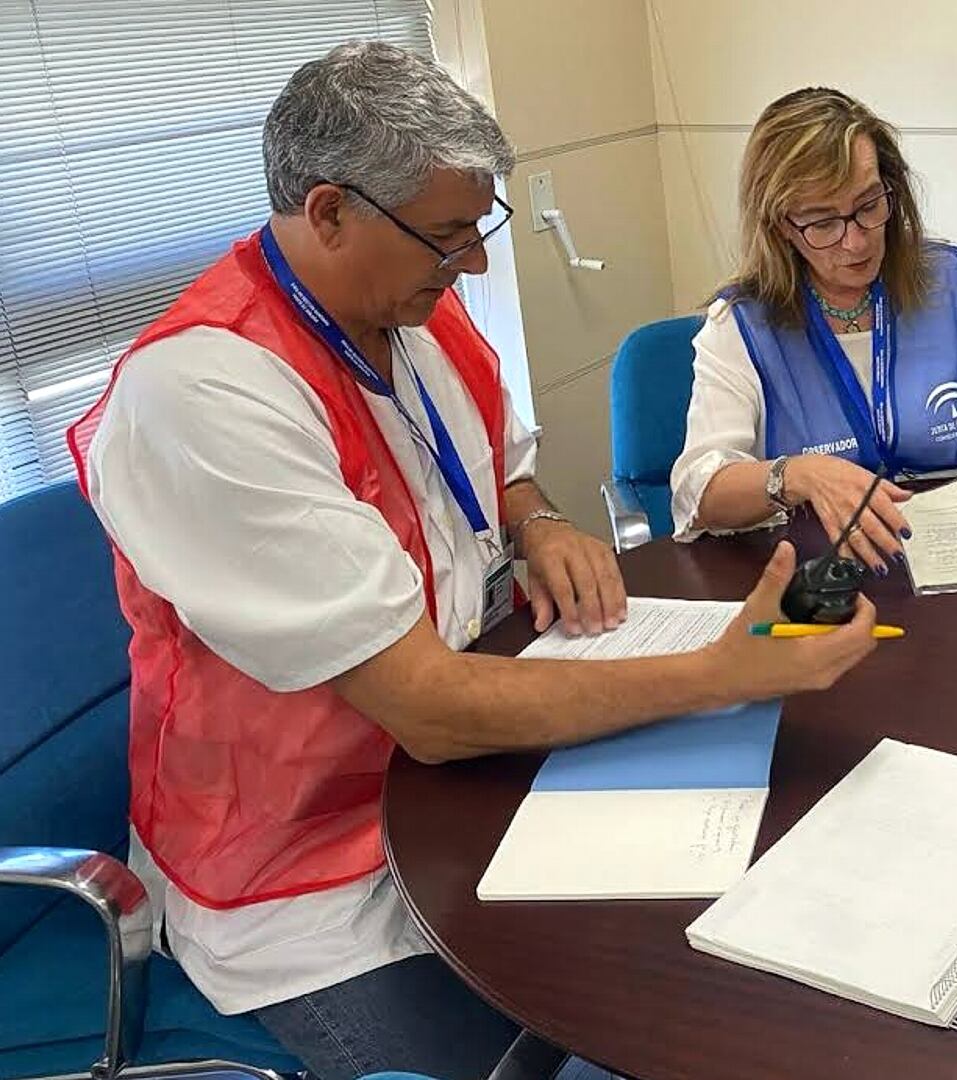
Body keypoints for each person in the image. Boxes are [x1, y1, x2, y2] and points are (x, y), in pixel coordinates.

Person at [70, 42, 876, 1080]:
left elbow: (498, 471)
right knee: (572, 1048)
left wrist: (538, 523)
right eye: (450, 239)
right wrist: (720, 675)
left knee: (704, 972)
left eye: (475, 230)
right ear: (329, 213)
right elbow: (430, 710)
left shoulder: (407, 305)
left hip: (471, 789)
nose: (475, 269)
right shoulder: (203, 399)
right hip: (315, 870)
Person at [669, 88, 957, 571]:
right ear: (781, 226)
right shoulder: (740, 327)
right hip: (814, 571)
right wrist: (799, 475)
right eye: (824, 222)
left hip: (956, 554)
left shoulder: (950, 283)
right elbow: (697, 492)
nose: (856, 241)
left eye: (868, 205)